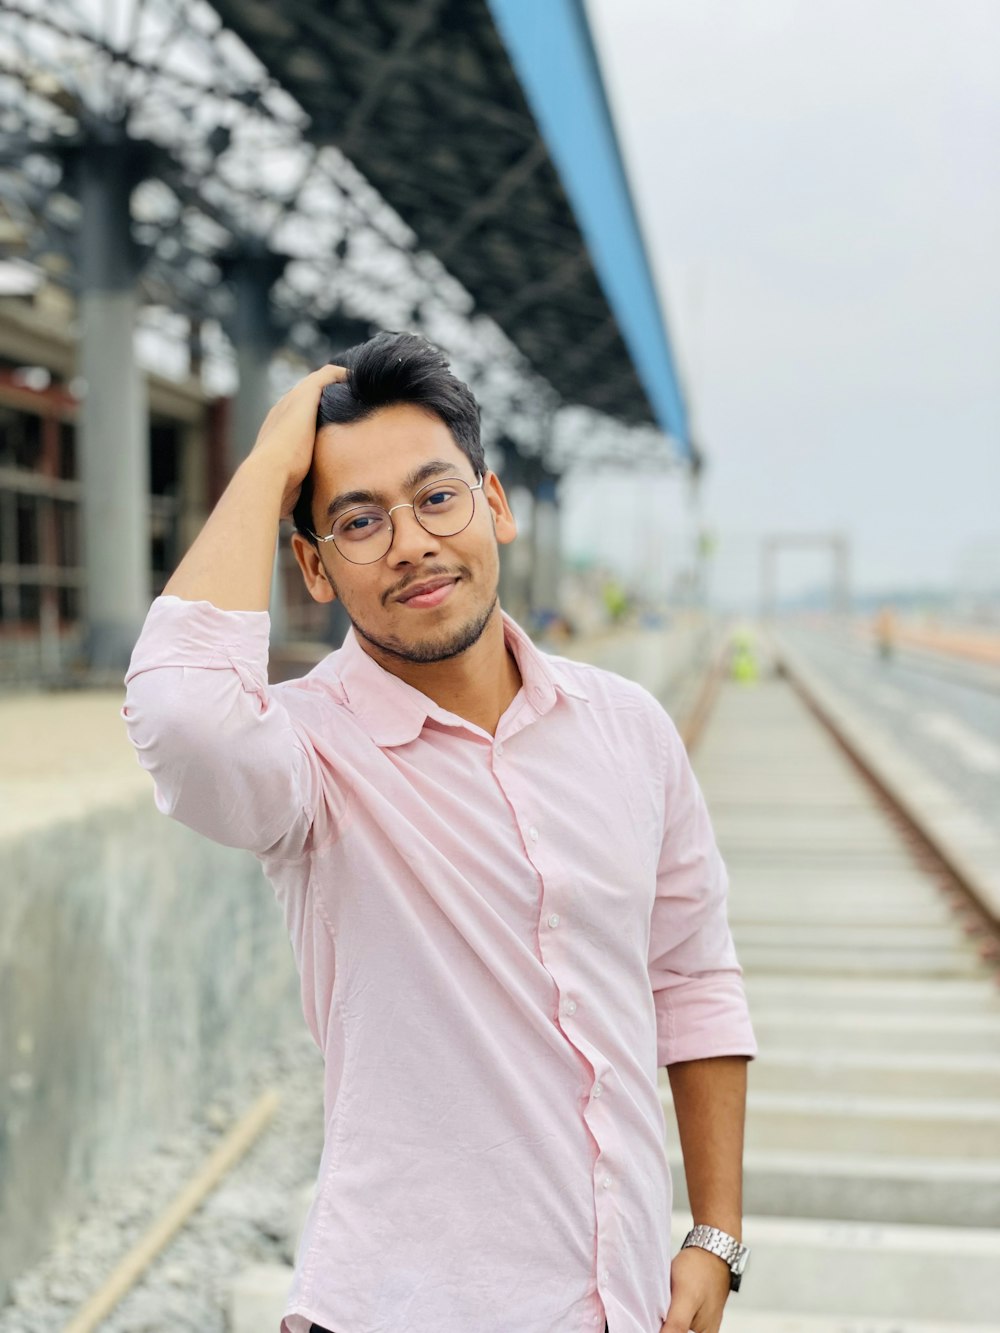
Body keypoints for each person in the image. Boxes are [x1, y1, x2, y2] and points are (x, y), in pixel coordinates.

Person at [122, 332, 757, 1333]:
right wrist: (272, 453)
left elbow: (691, 975)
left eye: (435, 497)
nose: (410, 541)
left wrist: (713, 1236)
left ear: (492, 503)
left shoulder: (628, 728)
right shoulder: (308, 757)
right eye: (357, 520)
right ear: (312, 567)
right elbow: (181, 716)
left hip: (621, 1306)